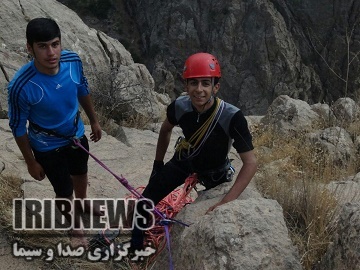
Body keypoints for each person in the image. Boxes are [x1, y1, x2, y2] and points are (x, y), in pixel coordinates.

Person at [130, 52, 258, 250]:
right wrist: (158, 165)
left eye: (206, 83)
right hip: (185, 161)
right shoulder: (179, 107)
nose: (199, 90)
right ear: (186, 86)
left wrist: (226, 201)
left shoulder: (232, 117)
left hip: (215, 171)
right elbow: (165, 129)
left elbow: (250, 163)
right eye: (194, 83)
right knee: (143, 203)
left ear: (216, 86)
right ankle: (135, 249)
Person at [7, 17, 102, 246]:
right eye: (42, 46)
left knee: (80, 173)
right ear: (30, 48)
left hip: (76, 133)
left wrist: (95, 122)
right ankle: (74, 226)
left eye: (55, 44)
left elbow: (82, 89)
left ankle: (83, 202)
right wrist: (31, 162)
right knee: (63, 189)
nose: (51, 52)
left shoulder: (72, 61)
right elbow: (18, 127)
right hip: (47, 145)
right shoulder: (21, 86)